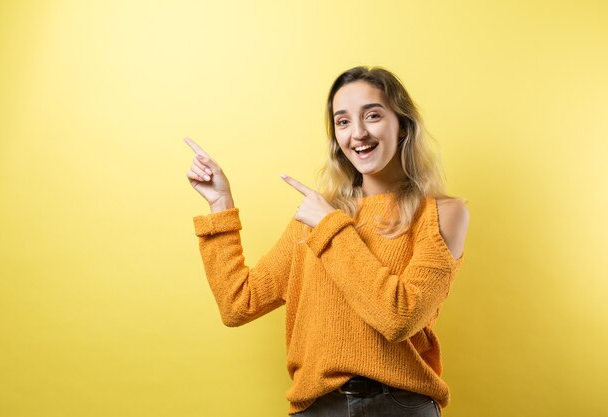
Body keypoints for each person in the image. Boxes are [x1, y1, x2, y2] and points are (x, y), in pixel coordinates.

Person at [184, 66, 469, 417]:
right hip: (317, 407)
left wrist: (330, 227)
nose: (358, 133)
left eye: (373, 115)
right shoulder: (316, 216)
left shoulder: (442, 213)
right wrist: (219, 204)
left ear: (403, 125)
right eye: (343, 121)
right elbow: (238, 304)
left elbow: (399, 319)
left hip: (398, 406)